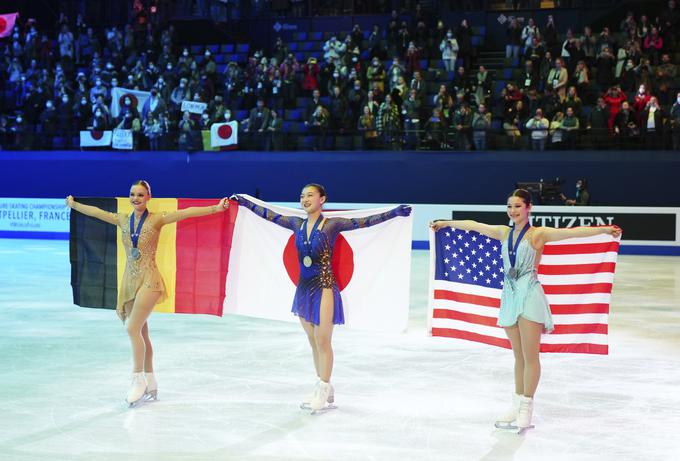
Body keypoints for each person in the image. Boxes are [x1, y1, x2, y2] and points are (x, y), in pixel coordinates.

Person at [430, 189, 620, 431]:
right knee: (518, 356)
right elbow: (474, 225)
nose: (512, 211)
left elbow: (571, 233)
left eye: (518, 206)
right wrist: (445, 223)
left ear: (528, 208)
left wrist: (604, 230)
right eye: (509, 206)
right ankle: (517, 402)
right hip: (509, 296)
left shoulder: (537, 234)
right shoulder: (504, 233)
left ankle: (526, 408)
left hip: (529, 294)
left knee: (531, 357)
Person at [233, 186, 411, 412]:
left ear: (322, 199)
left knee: (322, 340)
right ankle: (323, 384)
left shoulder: (332, 225)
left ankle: (323, 385)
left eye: (310, 195)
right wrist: (246, 203)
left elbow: (365, 221)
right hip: (303, 288)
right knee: (312, 340)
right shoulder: (296, 224)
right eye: (302, 196)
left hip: (325, 287)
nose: (304, 199)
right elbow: (271, 216)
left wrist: (393, 213)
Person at [65, 181, 229, 406]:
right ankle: (151, 380)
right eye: (132, 194)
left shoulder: (156, 219)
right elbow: (98, 213)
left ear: (148, 196)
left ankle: (137, 379)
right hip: (129, 281)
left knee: (131, 327)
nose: (135, 198)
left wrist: (215, 208)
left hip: (150, 281)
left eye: (140, 195)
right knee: (141, 332)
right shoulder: (123, 219)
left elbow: (186, 213)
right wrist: (74, 205)